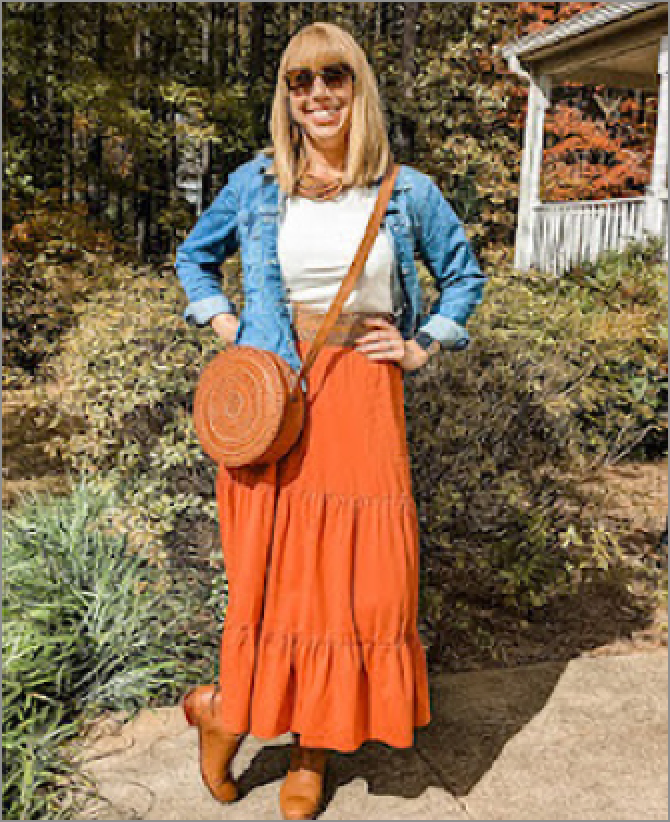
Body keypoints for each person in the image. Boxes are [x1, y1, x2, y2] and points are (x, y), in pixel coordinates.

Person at [175, 21, 487, 821]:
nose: (318, 94)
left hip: (366, 405)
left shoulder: (406, 190)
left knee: (356, 587)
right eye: (299, 81)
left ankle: (310, 750)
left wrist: (420, 346)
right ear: (286, 95)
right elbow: (194, 259)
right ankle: (226, 712)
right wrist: (228, 326)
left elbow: (464, 278)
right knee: (271, 580)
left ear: (359, 87)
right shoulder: (256, 181)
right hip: (276, 405)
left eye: (334, 76)